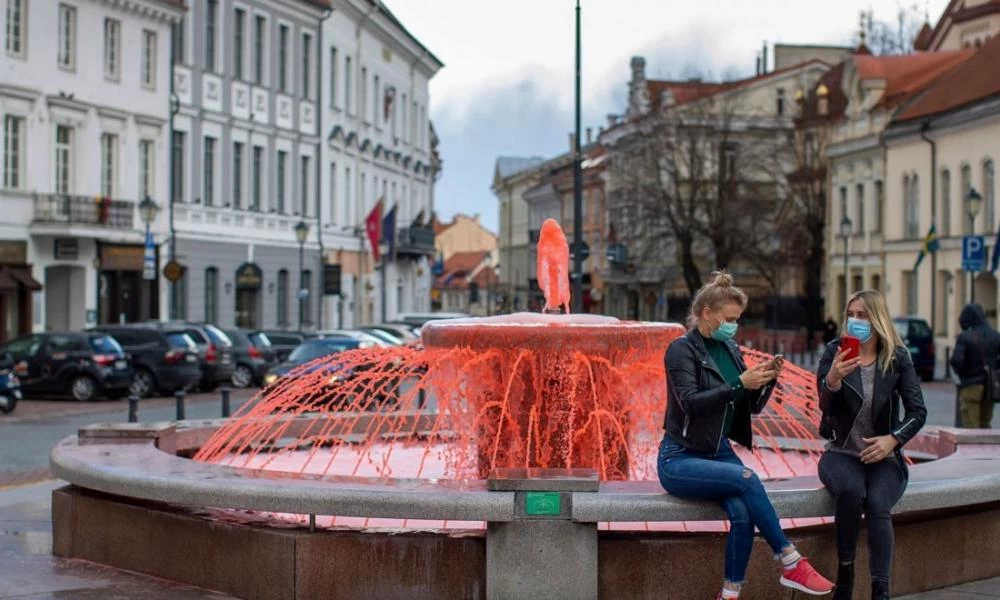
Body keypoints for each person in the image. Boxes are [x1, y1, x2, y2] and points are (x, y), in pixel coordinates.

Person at [659, 271, 834, 600]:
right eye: (729, 319)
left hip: (719, 451)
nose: (734, 326)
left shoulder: (729, 347)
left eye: (737, 320)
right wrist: (740, 383)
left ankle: (730, 593)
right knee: (749, 478)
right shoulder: (681, 350)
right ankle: (790, 560)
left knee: (742, 515)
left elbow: (749, 406)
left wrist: (766, 380)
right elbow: (690, 403)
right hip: (680, 457)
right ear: (707, 313)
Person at [816, 290, 927, 600]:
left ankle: (881, 589)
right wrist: (832, 381)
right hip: (841, 452)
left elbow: (918, 412)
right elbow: (825, 409)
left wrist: (893, 440)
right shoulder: (834, 351)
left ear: (877, 319)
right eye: (851, 314)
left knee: (878, 504)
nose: (855, 321)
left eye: (863, 315)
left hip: (884, 456)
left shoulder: (897, 357)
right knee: (852, 493)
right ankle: (846, 573)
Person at [950, 303, 1000, 429]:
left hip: (970, 385)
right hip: (990, 387)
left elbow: (956, 361)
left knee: (970, 427)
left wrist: (963, 374)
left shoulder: (965, 337)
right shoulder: (996, 336)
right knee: (985, 424)